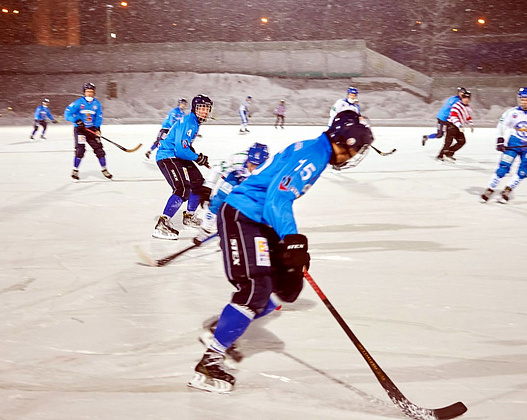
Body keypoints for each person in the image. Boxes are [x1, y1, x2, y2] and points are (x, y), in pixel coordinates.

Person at [188, 110, 375, 393]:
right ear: (344, 141)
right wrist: (292, 240)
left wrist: (290, 247)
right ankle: (209, 363)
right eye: (353, 150)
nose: (352, 156)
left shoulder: (316, 150)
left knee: (284, 288)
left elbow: (274, 198)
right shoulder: (314, 156)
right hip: (243, 215)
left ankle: (221, 329)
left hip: (257, 219)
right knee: (255, 288)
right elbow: (277, 199)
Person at [153, 94, 214, 240]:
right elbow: (181, 150)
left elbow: (185, 146)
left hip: (177, 156)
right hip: (168, 156)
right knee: (182, 189)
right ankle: (162, 224)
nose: (205, 111)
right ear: (194, 108)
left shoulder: (193, 122)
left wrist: (197, 156)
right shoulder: (190, 122)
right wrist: (197, 158)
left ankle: (189, 216)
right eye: (201, 108)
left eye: (207, 108)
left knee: (198, 183)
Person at [193, 142, 270, 246]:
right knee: (219, 199)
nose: (252, 169)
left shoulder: (269, 168)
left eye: (257, 166)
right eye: (251, 164)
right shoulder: (237, 158)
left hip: (253, 183)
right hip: (235, 177)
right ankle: (205, 230)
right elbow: (216, 170)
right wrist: (207, 189)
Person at [481, 87, 527, 204]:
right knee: (503, 168)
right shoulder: (512, 112)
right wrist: (500, 139)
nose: (525, 102)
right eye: (523, 99)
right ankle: (490, 189)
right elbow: (502, 125)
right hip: (514, 143)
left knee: (524, 170)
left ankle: (507, 190)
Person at [64, 82, 112, 181]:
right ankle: (75, 170)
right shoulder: (78, 103)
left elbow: (98, 117)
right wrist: (76, 120)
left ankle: (104, 169)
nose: (89, 94)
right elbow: (67, 113)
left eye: (91, 92)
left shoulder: (96, 104)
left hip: (91, 129)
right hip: (80, 130)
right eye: (87, 92)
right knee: (80, 150)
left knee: (99, 149)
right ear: (84, 93)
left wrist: (98, 128)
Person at [435, 89, 473, 162]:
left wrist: (470, 124)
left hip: (458, 127)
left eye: (468, 98)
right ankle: (440, 155)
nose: (466, 100)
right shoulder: (457, 106)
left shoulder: (468, 107)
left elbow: (468, 116)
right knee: (448, 142)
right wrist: (459, 126)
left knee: (462, 141)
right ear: (462, 98)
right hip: (452, 126)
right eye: (465, 98)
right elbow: (454, 117)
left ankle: (449, 153)